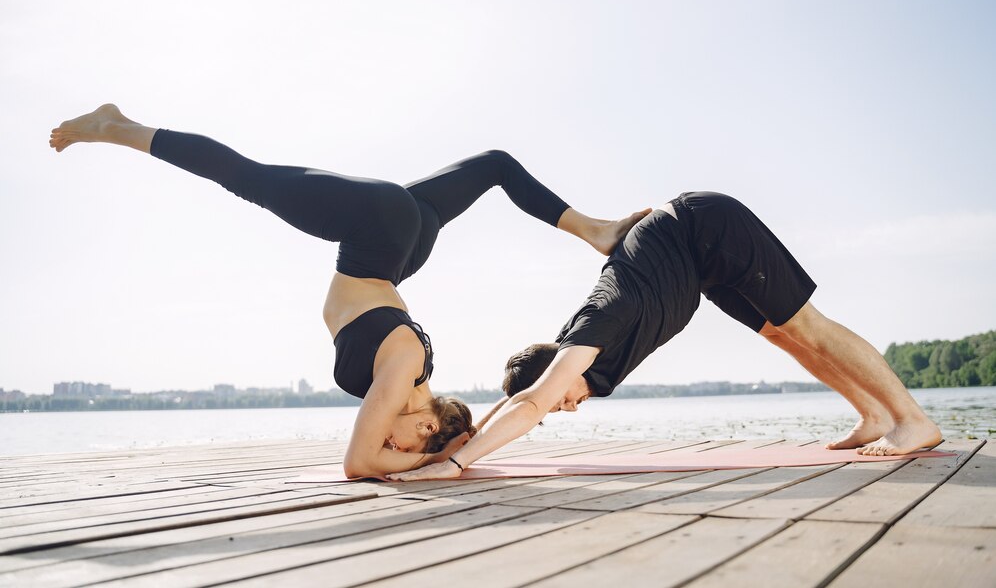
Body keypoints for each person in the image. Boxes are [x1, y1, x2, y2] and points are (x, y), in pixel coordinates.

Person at [49, 104, 648, 478]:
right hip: (379, 233)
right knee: (246, 177)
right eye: (408, 439)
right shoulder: (404, 375)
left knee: (494, 163)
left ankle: (594, 230)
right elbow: (359, 465)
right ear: (428, 425)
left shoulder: (409, 376)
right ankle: (118, 128)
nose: (391, 437)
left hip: (400, 245)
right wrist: (438, 461)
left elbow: (375, 452)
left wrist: (444, 453)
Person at [388, 192, 943, 481]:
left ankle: (911, 419)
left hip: (705, 230)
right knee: (779, 334)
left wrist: (455, 466)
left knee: (806, 326)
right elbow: (524, 396)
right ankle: (871, 416)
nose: (570, 408)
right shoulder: (569, 355)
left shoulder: (590, 331)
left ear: (560, 373)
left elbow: (533, 399)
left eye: (562, 403)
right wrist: (468, 438)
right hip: (698, 266)